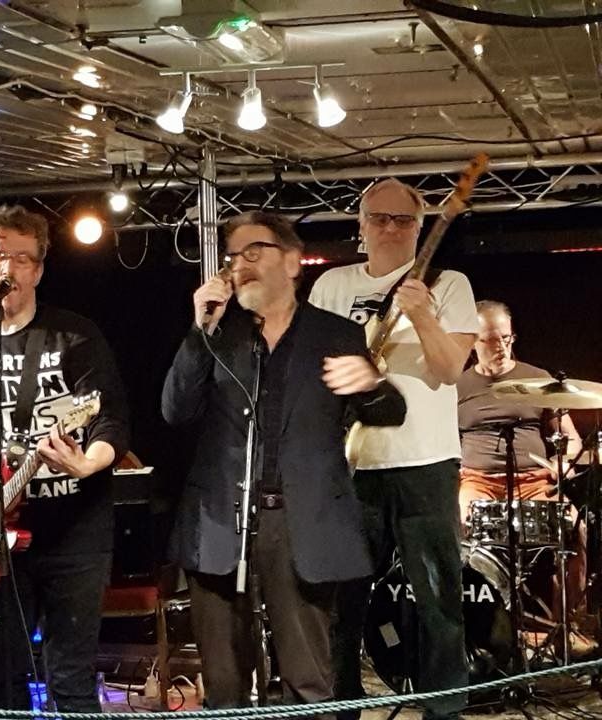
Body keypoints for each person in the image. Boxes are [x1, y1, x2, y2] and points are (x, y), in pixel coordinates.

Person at [161, 211, 406, 709]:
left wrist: (372, 383)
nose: (240, 264)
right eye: (234, 256)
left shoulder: (336, 334)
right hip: (220, 522)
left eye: (255, 252)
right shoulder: (217, 333)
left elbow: (390, 413)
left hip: (301, 523)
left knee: (307, 682)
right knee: (224, 688)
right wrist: (198, 329)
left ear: (293, 262)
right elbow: (175, 410)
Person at [0, 205, 129, 713]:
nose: (7, 268)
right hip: (0, 535)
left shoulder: (76, 336)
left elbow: (110, 419)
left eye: (21, 258)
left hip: (76, 533)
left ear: (40, 270)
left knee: (69, 678)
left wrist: (88, 463)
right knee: (1, 678)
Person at [309, 178, 478, 720]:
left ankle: (444, 709)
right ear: (360, 225)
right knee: (343, 601)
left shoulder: (449, 284)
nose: (390, 228)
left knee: (438, 600)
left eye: (403, 220)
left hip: (425, 462)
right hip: (352, 465)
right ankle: (341, 706)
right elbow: (312, 370)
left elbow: (449, 369)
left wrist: (423, 314)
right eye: (379, 218)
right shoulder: (331, 285)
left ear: (420, 227)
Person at [458, 299, 588, 646]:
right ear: (471, 341)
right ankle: (476, 630)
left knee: (576, 529)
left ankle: (565, 629)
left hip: (533, 480)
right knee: (455, 529)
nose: (500, 347)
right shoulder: (455, 386)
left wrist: (562, 463)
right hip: (476, 480)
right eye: (490, 340)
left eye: (506, 338)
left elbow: (573, 441)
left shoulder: (539, 380)